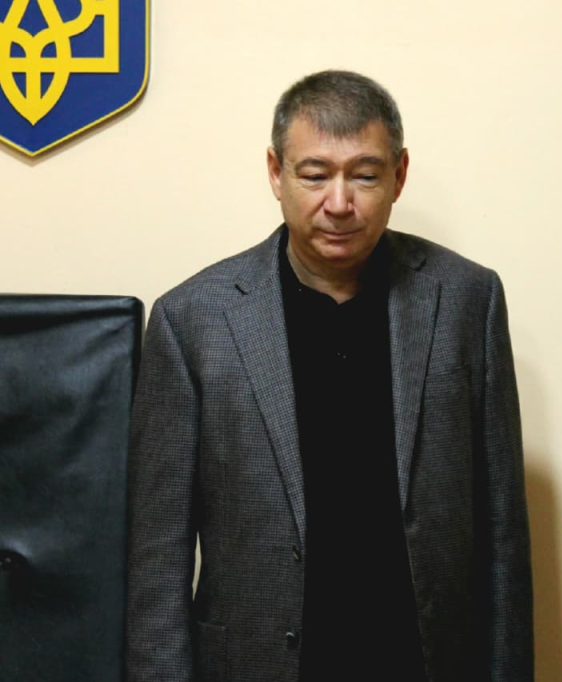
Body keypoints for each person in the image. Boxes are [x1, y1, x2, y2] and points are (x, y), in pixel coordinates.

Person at [126, 70, 533, 682]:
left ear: (399, 175)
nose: (339, 203)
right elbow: (157, 557)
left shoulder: (467, 300)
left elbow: (503, 533)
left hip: (425, 661)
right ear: (276, 172)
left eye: (364, 176)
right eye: (314, 175)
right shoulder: (193, 320)